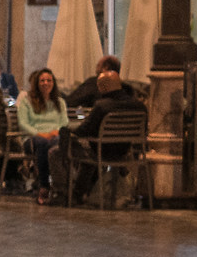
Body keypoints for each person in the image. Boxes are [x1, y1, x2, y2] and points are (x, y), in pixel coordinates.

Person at [60, 55, 145, 203]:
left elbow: (84, 131)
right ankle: (82, 191)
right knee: (91, 150)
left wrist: (67, 129)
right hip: (125, 152)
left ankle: (69, 193)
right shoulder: (139, 107)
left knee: (67, 146)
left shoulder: (102, 105)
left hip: (101, 151)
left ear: (103, 87)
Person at [17, 67, 69, 201]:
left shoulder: (60, 102)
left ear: (53, 83)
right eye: (42, 80)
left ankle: (58, 187)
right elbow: (23, 123)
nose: (46, 83)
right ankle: (44, 185)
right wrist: (39, 133)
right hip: (32, 138)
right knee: (43, 142)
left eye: (49, 80)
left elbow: (64, 122)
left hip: (54, 136)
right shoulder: (27, 101)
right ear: (37, 83)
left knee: (55, 145)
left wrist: (56, 131)